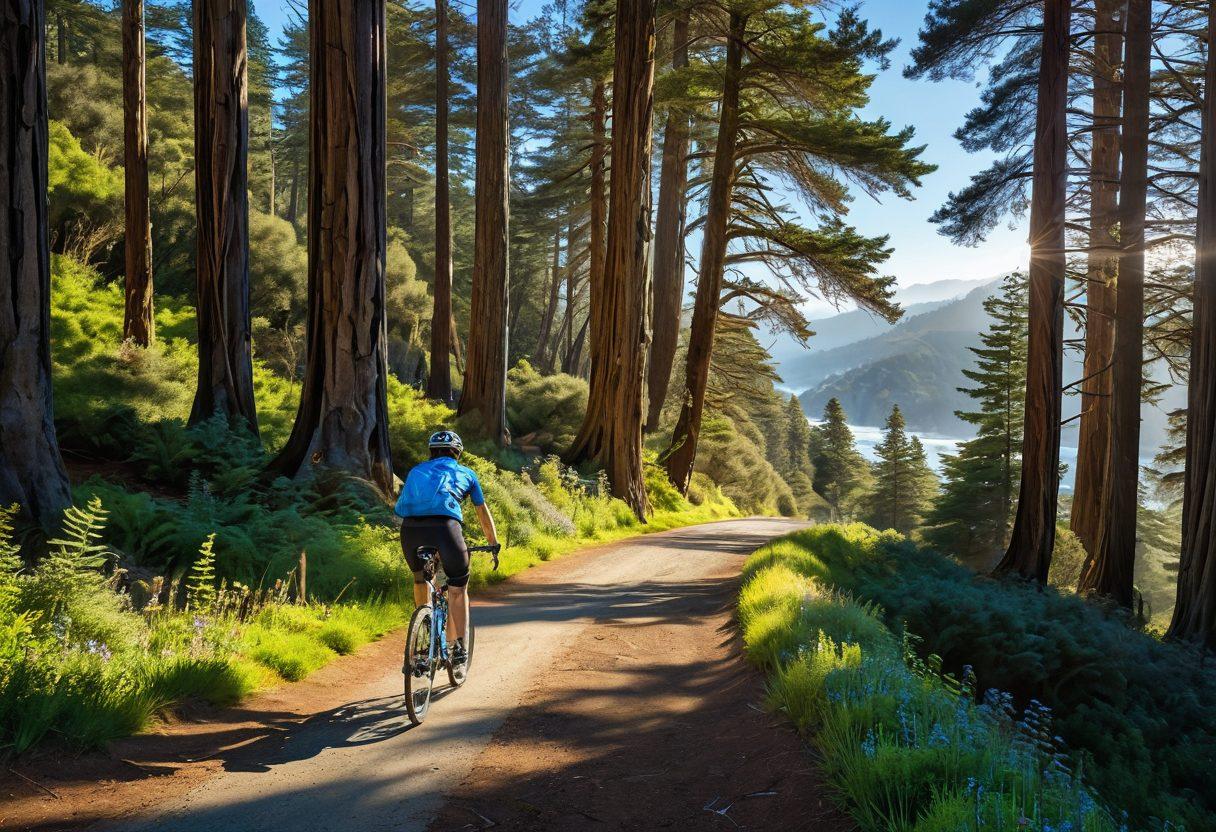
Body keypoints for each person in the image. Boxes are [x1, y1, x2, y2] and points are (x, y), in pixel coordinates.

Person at [395, 429, 499, 668]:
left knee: (421, 580)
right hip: (445, 528)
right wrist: (492, 544)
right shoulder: (467, 473)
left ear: (432, 453)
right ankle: (460, 647)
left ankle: (423, 634)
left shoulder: (416, 470)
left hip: (410, 530)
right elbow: (482, 514)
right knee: (457, 587)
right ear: (458, 454)